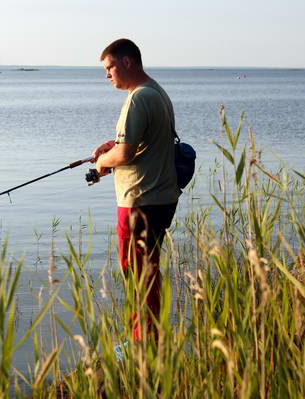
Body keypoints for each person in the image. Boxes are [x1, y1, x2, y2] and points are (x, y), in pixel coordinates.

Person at [92, 38, 180, 341]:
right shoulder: (156, 92)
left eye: (109, 67)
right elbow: (140, 143)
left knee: (138, 279)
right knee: (148, 277)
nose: (107, 75)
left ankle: (141, 352)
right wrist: (111, 147)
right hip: (159, 199)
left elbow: (125, 154)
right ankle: (150, 344)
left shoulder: (139, 97)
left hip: (140, 201)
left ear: (127, 62)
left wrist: (104, 159)